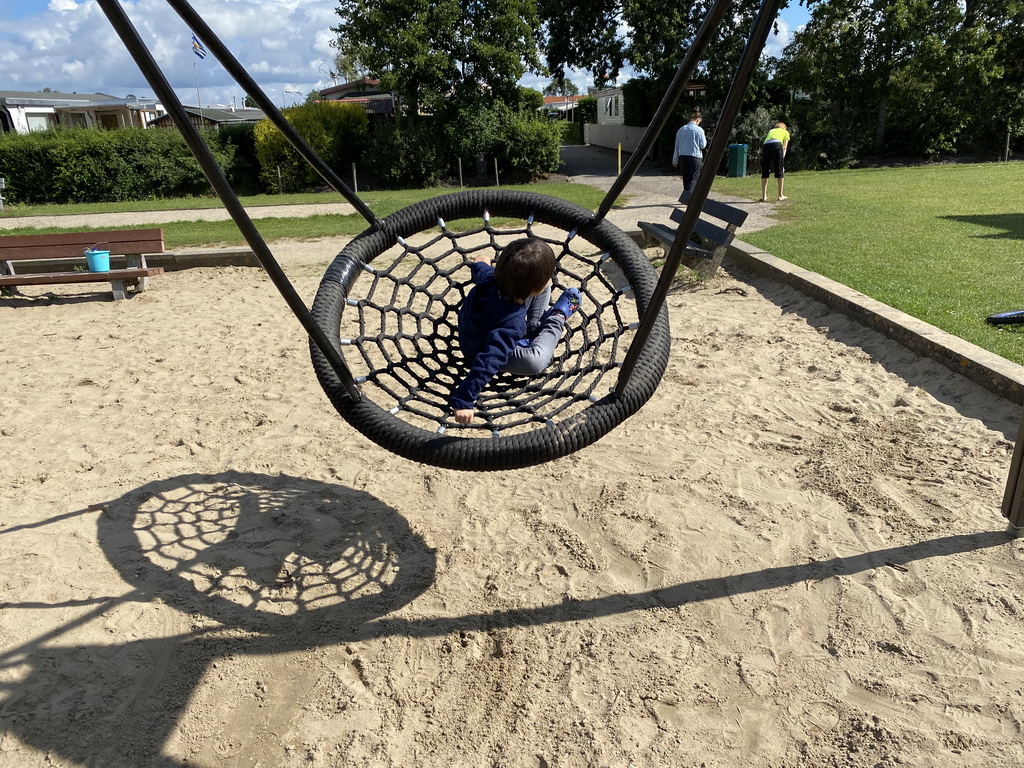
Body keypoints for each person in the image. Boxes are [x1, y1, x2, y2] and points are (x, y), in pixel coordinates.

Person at [450, 238, 582, 424]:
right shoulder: (510, 327)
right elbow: (488, 361)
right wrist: (463, 400)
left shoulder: (489, 278)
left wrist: (481, 260)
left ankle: (534, 327)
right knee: (534, 361)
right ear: (533, 289)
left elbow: (480, 266)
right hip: (482, 349)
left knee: (546, 287)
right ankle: (557, 317)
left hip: (482, 329)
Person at [672, 109, 707, 193]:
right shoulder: (699, 130)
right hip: (695, 156)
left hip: (683, 156)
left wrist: (675, 160)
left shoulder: (681, 130)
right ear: (698, 120)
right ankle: (689, 197)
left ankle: (686, 194)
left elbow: (677, 146)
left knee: (686, 178)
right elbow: (703, 145)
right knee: (694, 178)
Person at [760, 121, 791, 202]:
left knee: (765, 169)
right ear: (784, 127)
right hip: (777, 144)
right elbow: (784, 147)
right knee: (779, 170)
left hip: (766, 145)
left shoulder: (771, 131)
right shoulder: (785, 132)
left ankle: (764, 196)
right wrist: (782, 160)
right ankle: (780, 195)